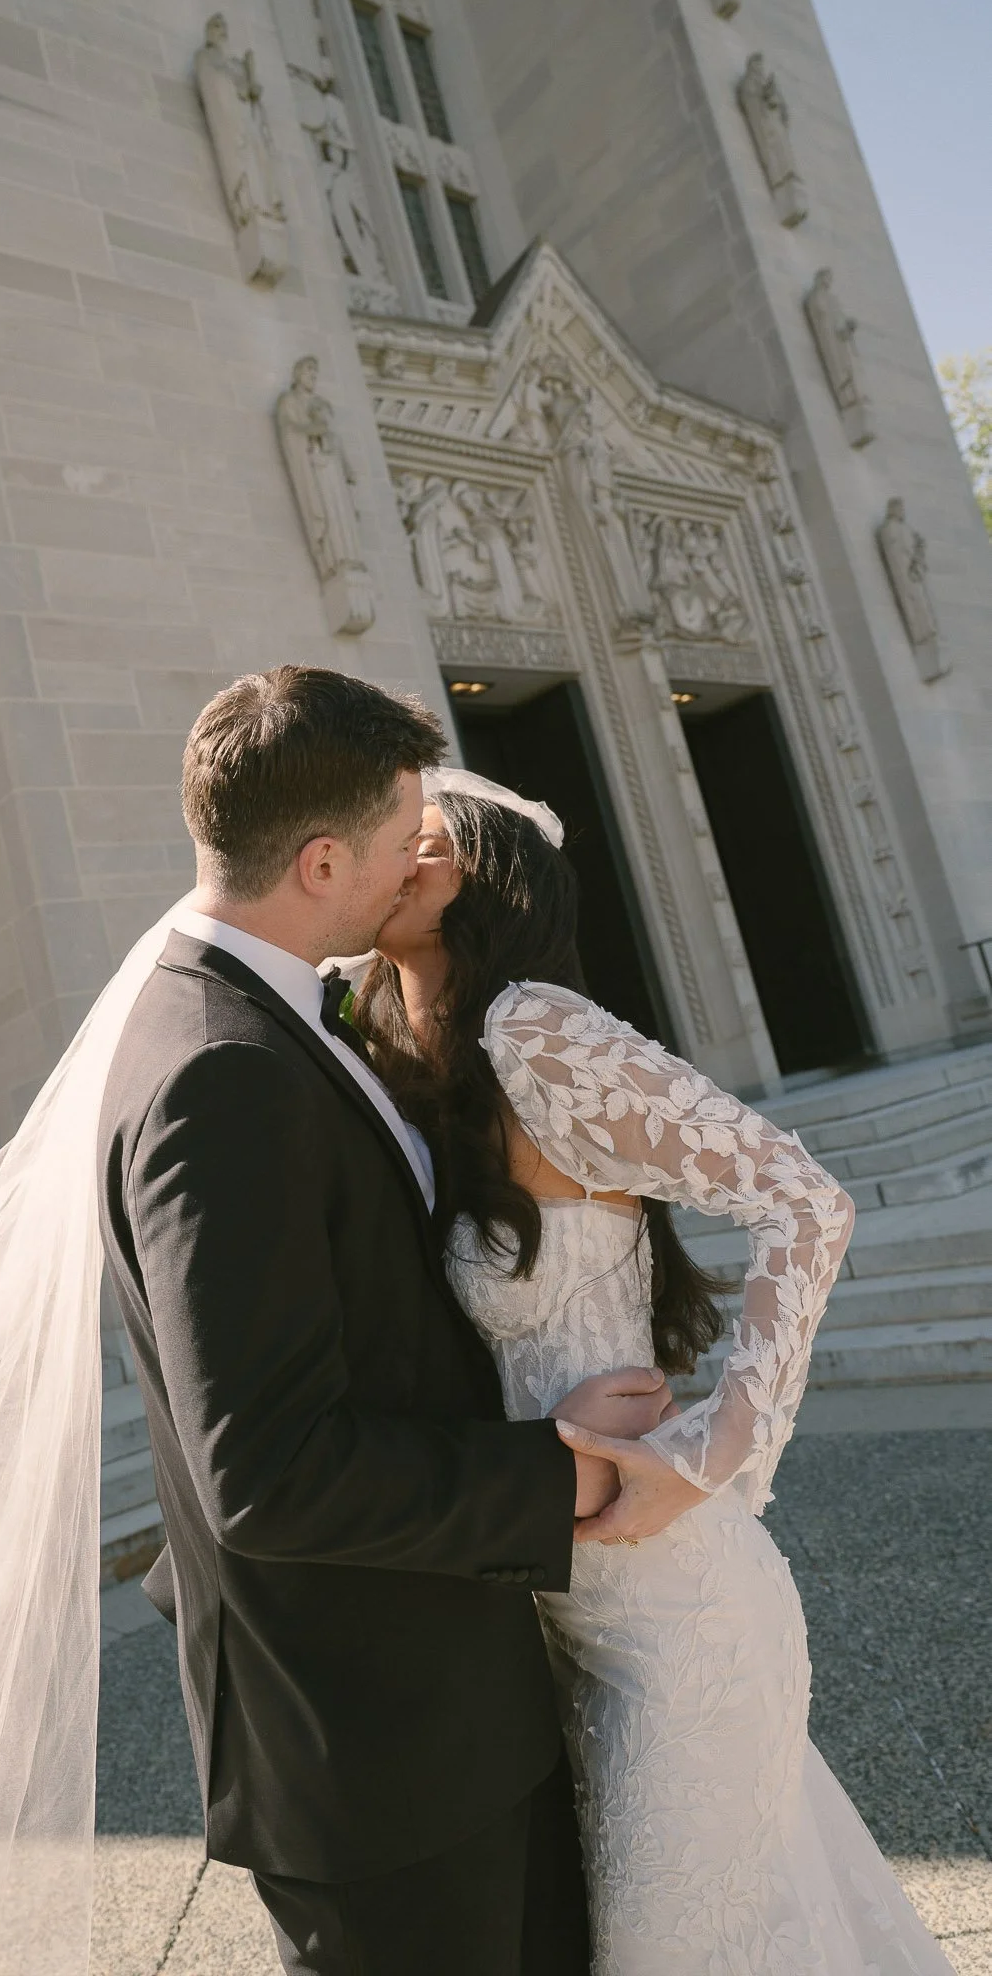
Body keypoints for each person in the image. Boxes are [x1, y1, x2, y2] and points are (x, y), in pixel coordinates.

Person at [98, 666, 680, 1976]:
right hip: (376, 1755)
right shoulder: (220, 1076)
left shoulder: (266, 1017)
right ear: (317, 861)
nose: (423, 855)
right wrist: (555, 1466)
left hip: (439, 1708)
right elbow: (268, 1468)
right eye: (401, 835)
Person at [354, 770, 956, 1974]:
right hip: (550, 1615)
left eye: (420, 844)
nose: (393, 862)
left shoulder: (534, 1027)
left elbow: (803, 1198)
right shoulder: (395, 1057)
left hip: (677, 1608)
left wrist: (718, 1448)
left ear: (485, 874)